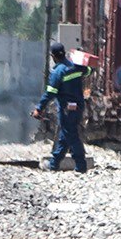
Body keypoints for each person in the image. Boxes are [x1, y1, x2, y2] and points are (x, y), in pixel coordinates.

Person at [43, 44, 90, 174]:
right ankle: (54, 164)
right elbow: (89, 70)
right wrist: (82, 59)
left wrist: (39, 107)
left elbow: (50, 92)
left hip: (66, 108)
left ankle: (81, 165)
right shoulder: (76, 67)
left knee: (71, 135)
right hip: (78, 106)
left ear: (53, 56)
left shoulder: (58, 71)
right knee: (65, 135)